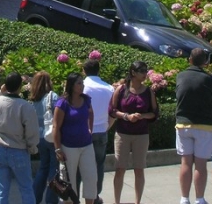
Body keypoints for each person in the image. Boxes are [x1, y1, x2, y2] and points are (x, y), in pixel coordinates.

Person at [0, 72, 39, 204]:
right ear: (20, 86)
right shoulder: (25, 106)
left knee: (2, 189)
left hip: (0, 150)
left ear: (5, 85)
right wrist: (32, 146)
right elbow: (32, 131)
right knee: (26, 188)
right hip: (19, 149)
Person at [109, 60, 158, 204]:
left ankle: (138, 201)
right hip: (123, 133)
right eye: (141, 71)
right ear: (133, 73)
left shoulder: (148, 91)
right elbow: (112, 110)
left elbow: (154, 113)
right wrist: (126, 116)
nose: (144, 74)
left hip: (141, 134)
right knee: (120, 168)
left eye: (145, 71)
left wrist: (141, 116)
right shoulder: (121, 90)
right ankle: (116, 201)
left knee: (139, 169)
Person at [175, 47, 212, 204]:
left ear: (190, 60)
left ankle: (184, 198)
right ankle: (199, 199)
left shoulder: (180, 75)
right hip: (204, 125)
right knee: (200, 165)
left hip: (183, 123)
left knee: (186, 163)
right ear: (206, 63)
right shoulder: (209, 79)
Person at [52, 71, 97, 204]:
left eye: (82, 83)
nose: (82, 86)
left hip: (86, 145)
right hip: (68, 147)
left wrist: (90, 129)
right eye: (79, 83)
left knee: (91, 177)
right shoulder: (63, 103)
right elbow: (56, 127)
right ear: (71, 85)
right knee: (69, 182)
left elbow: (91, 113)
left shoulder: (86, 99)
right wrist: (58, 149)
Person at [82, 59, 113, 204]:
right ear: (98, 70)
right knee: (98, 164)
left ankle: (81, 194)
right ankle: (95, 195)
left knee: (80, 165)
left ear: (84, 70)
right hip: (101, 130)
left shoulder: (81, 87)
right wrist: (107, 126)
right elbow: (113, 112)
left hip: (83, 130)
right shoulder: (109, 88)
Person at [29, 71, 59, 204]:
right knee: (54, 168)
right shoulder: (52, 97)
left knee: (43, 167)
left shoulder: (33, 99)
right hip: (51, 136)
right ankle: (51, 200)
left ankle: (35, 199)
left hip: (39, 136)